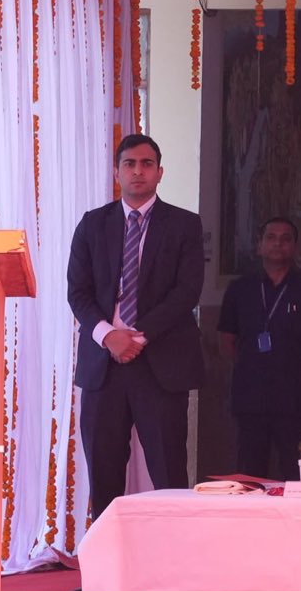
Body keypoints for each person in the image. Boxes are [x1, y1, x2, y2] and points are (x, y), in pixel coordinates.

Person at [67, 134, 207, 510]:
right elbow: (77, 293)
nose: (138, 171)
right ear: (117, 172)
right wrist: (109, 336)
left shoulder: (184, 225)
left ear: (160, 172)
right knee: (104, 471)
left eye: (147, 164)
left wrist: (136, 337)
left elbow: (186, 293)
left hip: (160, 362)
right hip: (103, 366)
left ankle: (174, 558)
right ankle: (110, 560)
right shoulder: (92, 225)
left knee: (169, 472)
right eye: (129, 164)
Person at [218, 215, 301, 481]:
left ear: (296, 248)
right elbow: (226, 339)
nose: (278, 244)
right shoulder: (239, 289)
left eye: (286, 239)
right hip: (251, 397)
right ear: (259, 246)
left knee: (297, 471)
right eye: (271, 238)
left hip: (295, 399)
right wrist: (250, 367)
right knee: (249, 473)